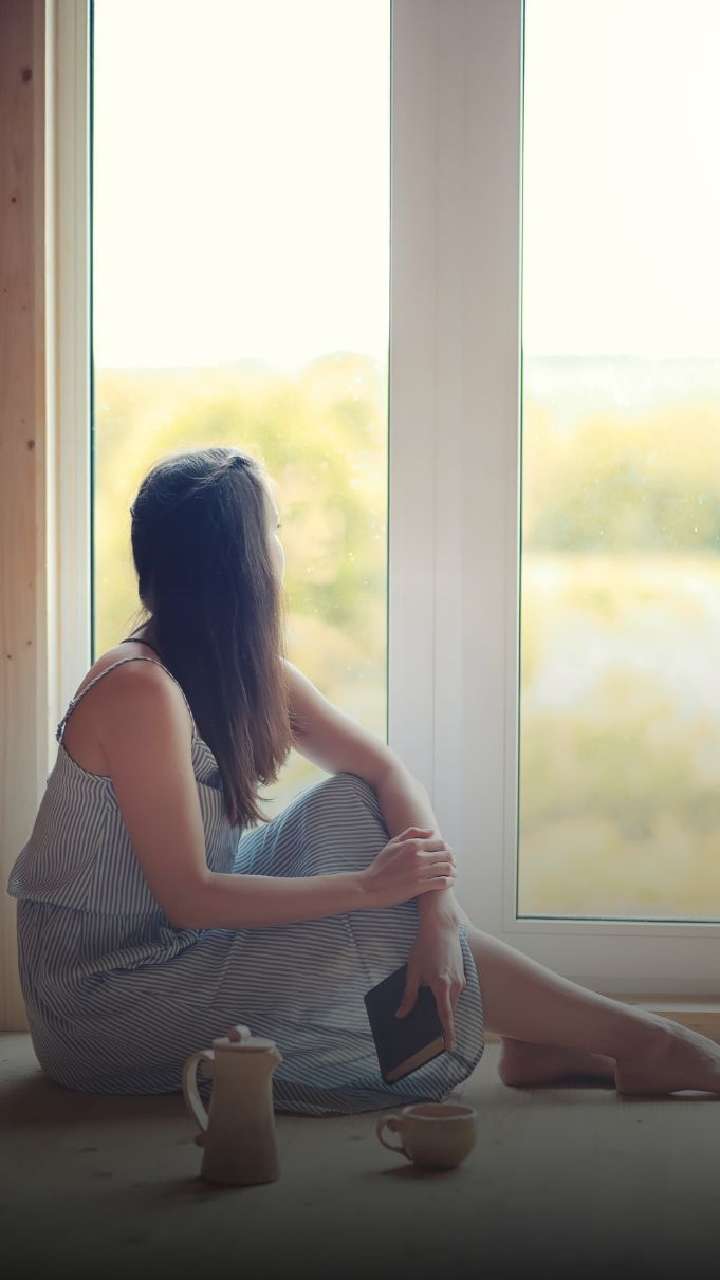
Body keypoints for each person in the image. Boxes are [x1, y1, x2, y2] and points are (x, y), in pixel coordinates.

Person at [7, 446, 720, 1114]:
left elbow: (384, 770)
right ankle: (640, 1041)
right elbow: (190, 899)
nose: (282, 550)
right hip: (108, 995)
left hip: (179, 942)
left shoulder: (242, 672)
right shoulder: (138, 689)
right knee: (374, 911)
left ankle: (554, 1037)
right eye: (274, 531)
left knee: (355, 803)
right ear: (241, 566)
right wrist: (370, 889)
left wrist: (438, 914)